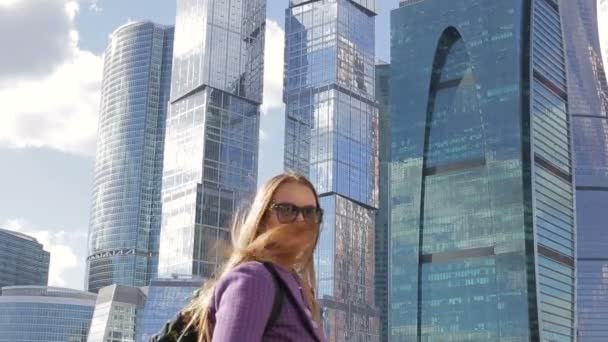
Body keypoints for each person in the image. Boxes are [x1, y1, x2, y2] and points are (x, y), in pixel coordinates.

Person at [152, 172, 327, 342]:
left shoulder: (299, 292)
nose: (300, 221)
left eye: (310, 213)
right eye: (287, 210)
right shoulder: (255, 279)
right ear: (262, 220)